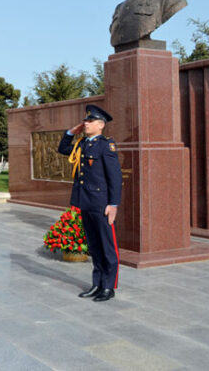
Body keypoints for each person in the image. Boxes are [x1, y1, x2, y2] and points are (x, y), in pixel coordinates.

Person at [58, 105, 122, 302]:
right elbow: (62, 149)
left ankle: (108, 287)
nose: (86, 123)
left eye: (90, 121)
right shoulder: (83, 144)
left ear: (101, 125)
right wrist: (70, 133)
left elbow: (115, 177)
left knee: (107, 247)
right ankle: (97, 283)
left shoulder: (106, 146)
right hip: (86, 203)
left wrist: (113, 204)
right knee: (94, 246)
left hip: (101, 204)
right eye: (85, 120)